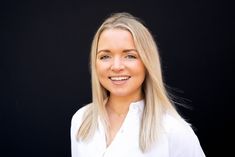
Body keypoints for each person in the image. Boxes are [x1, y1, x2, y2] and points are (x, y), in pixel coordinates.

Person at [71, 12, 205, 157]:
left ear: (147, 63)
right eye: (105, 56)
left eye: (130, 56)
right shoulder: (81, 120)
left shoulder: (173, 131)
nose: (116, 66)